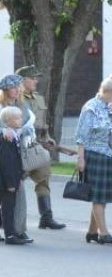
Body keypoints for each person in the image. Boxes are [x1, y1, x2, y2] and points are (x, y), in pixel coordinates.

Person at [75, 75, 112, 245]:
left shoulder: (109, 107)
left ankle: (92, 232)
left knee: (101, 197)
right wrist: (80, 158)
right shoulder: (91, 107)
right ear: (105, 92)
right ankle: (103, 234)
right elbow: (81, 136)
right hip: (94, 154)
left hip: (109, 154)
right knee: (98, 197)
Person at [15, 66, 67, 230]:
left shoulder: (39, 99)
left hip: (37, 147)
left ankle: (46, 217)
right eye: (32, 78)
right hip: (20, 147)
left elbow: (42, 124)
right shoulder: (14, 99)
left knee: (43, 180)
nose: (36, 81)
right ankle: (6, 216)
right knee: (11, 183)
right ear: (22, 81)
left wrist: (48, 138)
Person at [0, 73, 34, 243]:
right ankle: (10, 233)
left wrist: (27, 132)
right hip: (6, 156)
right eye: (12, 87)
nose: (16, 90)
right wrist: (2, 130)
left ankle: (18, 230)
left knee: (18, 197)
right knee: (7, 198)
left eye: (17, 87)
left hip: (20, 154)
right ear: (5, 90)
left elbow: (29, 124)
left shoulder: (22, 104)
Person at [0, 106, 30, 244]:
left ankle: (11, 234)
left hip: (11, 179)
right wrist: (11, 183)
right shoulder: (7, 138)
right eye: (17, 118)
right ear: (8, 121)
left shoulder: (14, 134)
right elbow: (7, 162)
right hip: (6, 181)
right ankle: (10, 236)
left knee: (8, 207)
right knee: (8, 208)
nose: (21, 120)